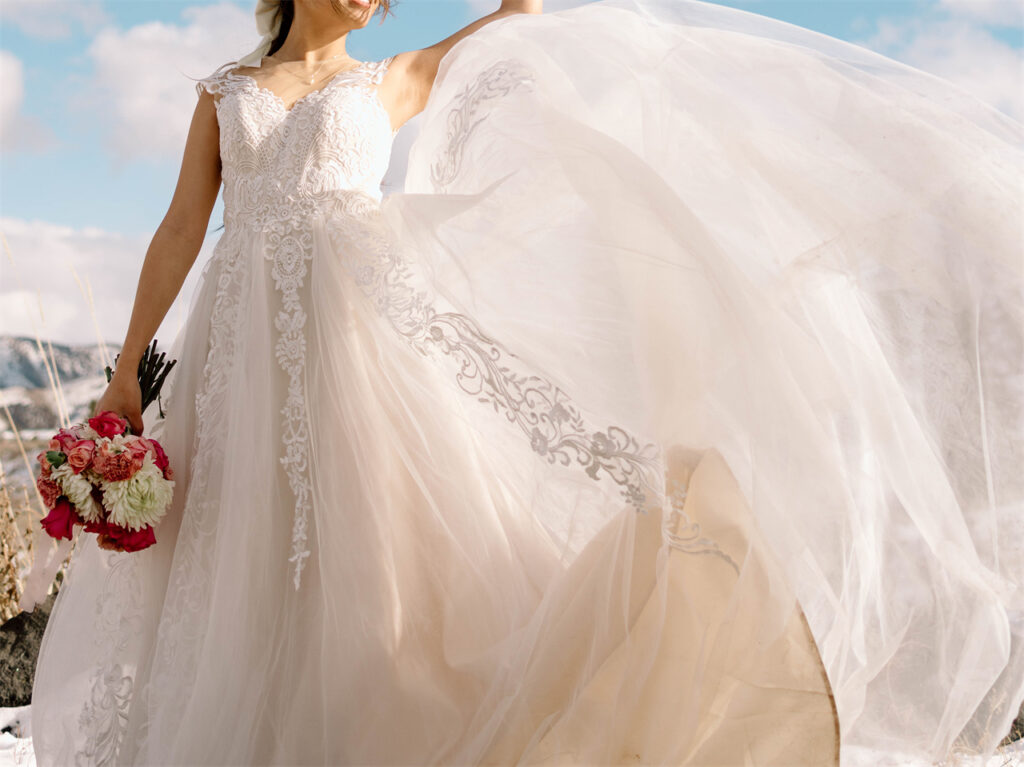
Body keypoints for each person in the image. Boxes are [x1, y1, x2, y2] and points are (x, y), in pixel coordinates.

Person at [25, 0, 1023, 764]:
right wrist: (123, 371)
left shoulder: (394, 79)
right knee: (233, 549)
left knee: (369, 549)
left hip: (353, 345)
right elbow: (177, 232)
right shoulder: (223, 90)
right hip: (232, 354)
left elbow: (519, 19)